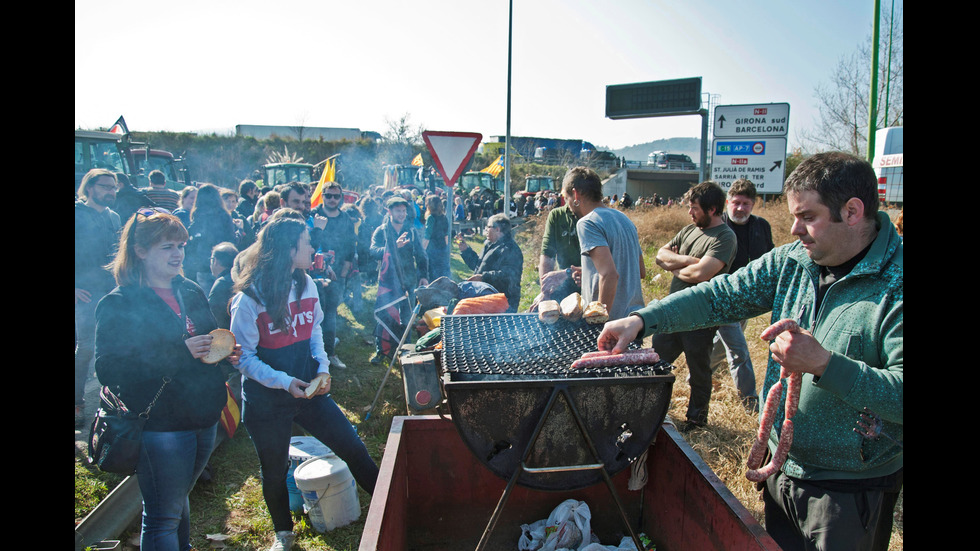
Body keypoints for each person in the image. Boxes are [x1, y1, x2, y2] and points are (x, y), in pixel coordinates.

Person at [597, 152, 902, 551]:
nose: (795, 230)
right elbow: (719, 296)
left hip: (849, 488)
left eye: (808, 217)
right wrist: (642, 319)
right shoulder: (793, 261)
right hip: (782, 469)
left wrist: (825, 365)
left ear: (853, 211)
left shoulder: (895, 285)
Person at [229, 218, 379, 551]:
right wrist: (283, 382)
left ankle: (394, 502)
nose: (312, 248)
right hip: (266, 401)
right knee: (274, 468)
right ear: (287, 248)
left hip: (309, 392)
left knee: (353, 447)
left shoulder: (306, 282)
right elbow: (243, 358)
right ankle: (284, 536)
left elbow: (314, 331)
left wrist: (322, 369)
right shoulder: (250, 297)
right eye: (306, 241)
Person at [95, 210, 240, 551]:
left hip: (205, 416)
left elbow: (206, 338)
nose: (178, 254)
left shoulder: (189, 289)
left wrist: (223, 354)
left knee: (176, 502)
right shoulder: (118, 303)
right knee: (162, 516)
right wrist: (179, 351)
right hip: (161, 424)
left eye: (181, 245)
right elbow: (109, 370)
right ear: (140, 251)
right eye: (166, 247)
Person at [650, 180, 736, 430]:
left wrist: (674, 265)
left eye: (695, 208)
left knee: (699, 370)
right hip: (672, 311)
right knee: (656, 362)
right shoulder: (689, 230)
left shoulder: (725, 237)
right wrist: (687, 260)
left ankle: (696, 420)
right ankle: (655, 410)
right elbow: (659, 255)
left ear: (712, 209)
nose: (690, 212)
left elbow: (701, 274)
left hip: (701, 315)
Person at [710, 178, 775, 412]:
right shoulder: (718, 226)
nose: (740, 208)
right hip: (722, 296)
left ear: (753, 204)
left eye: (746, 204)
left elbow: (770, 260)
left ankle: (698, 378)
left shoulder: (761, 227)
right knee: (738, 351)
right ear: (727, 202)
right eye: (736, 202)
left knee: (721, 347)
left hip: (747, 298)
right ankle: (751, 404)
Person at [560, 167, 644, 321]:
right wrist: (589, 272)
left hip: (611, 325)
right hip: (634, 321)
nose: (568, 205)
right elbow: (639, 271)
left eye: (567, 198)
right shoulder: (625, 220)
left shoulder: (587, 223)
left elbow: (610, 274)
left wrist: (598, 322)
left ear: (576, 194)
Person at [75, 168, 123, 425]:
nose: (111, 192)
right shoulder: (76, 214)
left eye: (113, 187)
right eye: (105, 186)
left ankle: (116, 400)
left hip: (112, 293)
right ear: (90, 187)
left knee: (117, 347)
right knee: (86, 349)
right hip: (85, 294)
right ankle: (76, 404)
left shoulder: (114, 218)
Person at [370, 197, 428, 362]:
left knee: (407, 317)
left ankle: (404, 350)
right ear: (389, 212)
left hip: (408, 280)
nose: (401, 214)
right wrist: (393, 246)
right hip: (388, 281)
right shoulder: (381, 231)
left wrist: (423, 276)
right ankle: (382, 350)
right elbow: (373, 251)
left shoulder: (410, 231)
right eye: (397, 211)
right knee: (385, 314)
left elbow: (421, 255)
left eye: (403, 211)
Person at [308, 182, 355, 369]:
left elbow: (351, 246)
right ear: (323, 196)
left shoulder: (345, 219)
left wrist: (344, 272)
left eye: (336, 196)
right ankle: (313, 354)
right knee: (313, 314)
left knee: (330, 314)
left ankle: (329, 353)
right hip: (312, 273)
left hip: (336, 275)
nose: (332, 200)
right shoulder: (314, 216)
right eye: (328, 196)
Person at [456, 213, 525, 312]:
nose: (486, 230)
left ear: (497, 229)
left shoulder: (511, 249)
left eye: (488, 227)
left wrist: (483, 277)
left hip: (504, 303)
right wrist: (466, 251)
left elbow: (509, 276)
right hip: (485, 299)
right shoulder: (489, 244)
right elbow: (478, 265)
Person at [185, 184, 239, 292]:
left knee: (207, 295)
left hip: (203, 264)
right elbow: (231, 240)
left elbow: (191, 240)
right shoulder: (224, 215)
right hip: (223, 262)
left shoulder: (197, 215)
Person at [536, 202, 582, 306]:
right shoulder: (557, 215)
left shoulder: (595, 217)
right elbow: (547, 254)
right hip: (564, 286)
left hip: (591, 286)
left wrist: (569, 272)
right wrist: (545, 293)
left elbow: (604, 268)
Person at [208, 241, 239, 329]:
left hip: (229, 337)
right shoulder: (242, 278)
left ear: (215, 261)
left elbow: (211, 317)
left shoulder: (221, 284)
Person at [423, 194, 451, 281]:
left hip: (432, 250)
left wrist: (422, 251)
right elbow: (446, 236)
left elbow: (427, 236)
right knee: (442, 273)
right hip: (442, 248)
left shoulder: (431, 218)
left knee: (433, 274)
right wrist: (445, 250)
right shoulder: (444, 217)